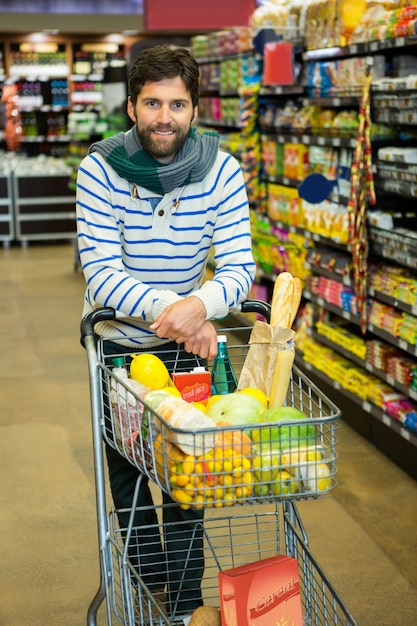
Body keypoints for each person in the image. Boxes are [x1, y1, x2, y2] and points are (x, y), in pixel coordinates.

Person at [76, 44, 256, 620]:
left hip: (186, 348)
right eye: (151, 102)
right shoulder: (99, 168)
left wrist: (201, 305)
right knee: (130, 480)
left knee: (188, 475)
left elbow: (239, 266)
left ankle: (182, 604)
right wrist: (180, 315)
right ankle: (146, 586)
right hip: (120, 347)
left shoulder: (221, 169)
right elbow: (102, 273)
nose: (164, 116)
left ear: (195, 109)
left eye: (177, 103)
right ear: (131, 107)